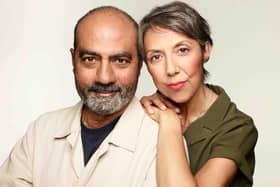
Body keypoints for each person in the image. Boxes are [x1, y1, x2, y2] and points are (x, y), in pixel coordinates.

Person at [0, 6, 161, 187]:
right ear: (73, 60)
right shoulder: (41, 131)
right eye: (90, 59)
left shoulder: (161, 142)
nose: (104, 77)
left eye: (120, 61)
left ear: (139, 65)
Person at [139, 1, 258, 187]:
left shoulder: (237, 127)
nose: (171, 69)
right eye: (156, 57)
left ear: (206, 50)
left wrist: (169, 123)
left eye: (182, 50)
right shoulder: (144, 113)